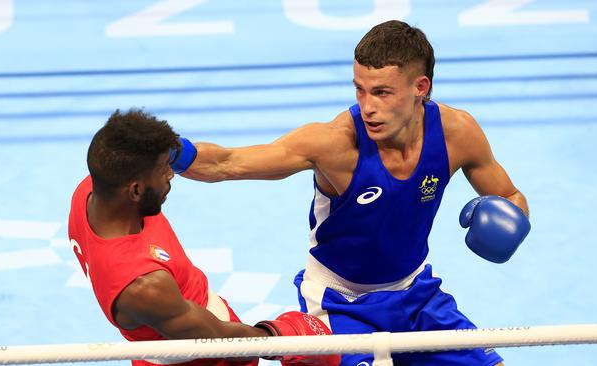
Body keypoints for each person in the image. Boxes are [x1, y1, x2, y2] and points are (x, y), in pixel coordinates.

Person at [169, 20, 531, 366]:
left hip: (416, 294)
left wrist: (513, 221)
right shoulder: (334, 144)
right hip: (340, 302)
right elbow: (227, 163)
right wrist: (169, 152)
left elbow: (510, 194)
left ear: (420, 87)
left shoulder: (458, 133)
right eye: (360, 89)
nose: (367, 106)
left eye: (382, 92)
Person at [67, 109, 340, 366]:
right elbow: (220, 340)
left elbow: (131, 145)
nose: (171, 174)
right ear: (136, 190)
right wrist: (280, 338)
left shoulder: (95, 191)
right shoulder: (143, 287)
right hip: (204, 355)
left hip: (186, 319)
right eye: (163, 170)